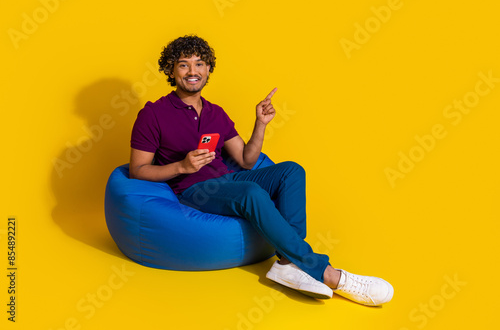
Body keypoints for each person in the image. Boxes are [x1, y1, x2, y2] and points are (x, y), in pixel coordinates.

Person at [129, 35, 394, 306]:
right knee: (251, 192)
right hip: (194, 190)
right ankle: (329, 274)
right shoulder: (153, 114)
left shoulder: (215, 113)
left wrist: (261, 124)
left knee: (292, 171)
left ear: (209, 69)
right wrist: (181, 167)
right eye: (183, 65)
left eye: (200, 64)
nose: (193, 71)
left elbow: (245, 160)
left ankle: (287, 264)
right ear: (171, 70)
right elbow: (138, 170)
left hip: (230, 179)